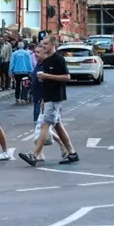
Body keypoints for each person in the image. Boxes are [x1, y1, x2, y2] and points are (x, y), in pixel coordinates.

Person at [19, 36, 80, 166]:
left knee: (45, 125)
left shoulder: (58, 59)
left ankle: (34, 155)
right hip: (48, 97)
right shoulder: (47, 61)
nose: (44, 46)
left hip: (55, 96)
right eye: (43, 43)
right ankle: (72, 153)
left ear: (53, 44)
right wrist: (44, 97)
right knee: (57, 125)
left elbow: (67, 77)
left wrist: (47, 76)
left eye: (46, 44)